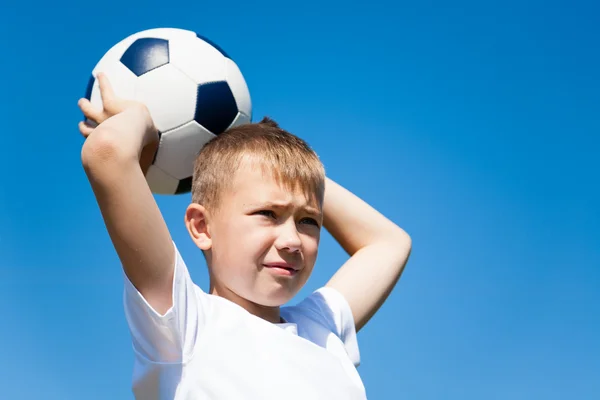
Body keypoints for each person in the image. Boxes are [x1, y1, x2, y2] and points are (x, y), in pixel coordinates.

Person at [78, 73, 412, 400]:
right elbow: (108, 152)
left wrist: (284, 163)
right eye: (268, 214)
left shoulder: (320, 330)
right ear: (201, 227)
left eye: (308, 220)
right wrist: (142, 117)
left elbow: (389, 242)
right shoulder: (184, 324)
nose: (292, 240)